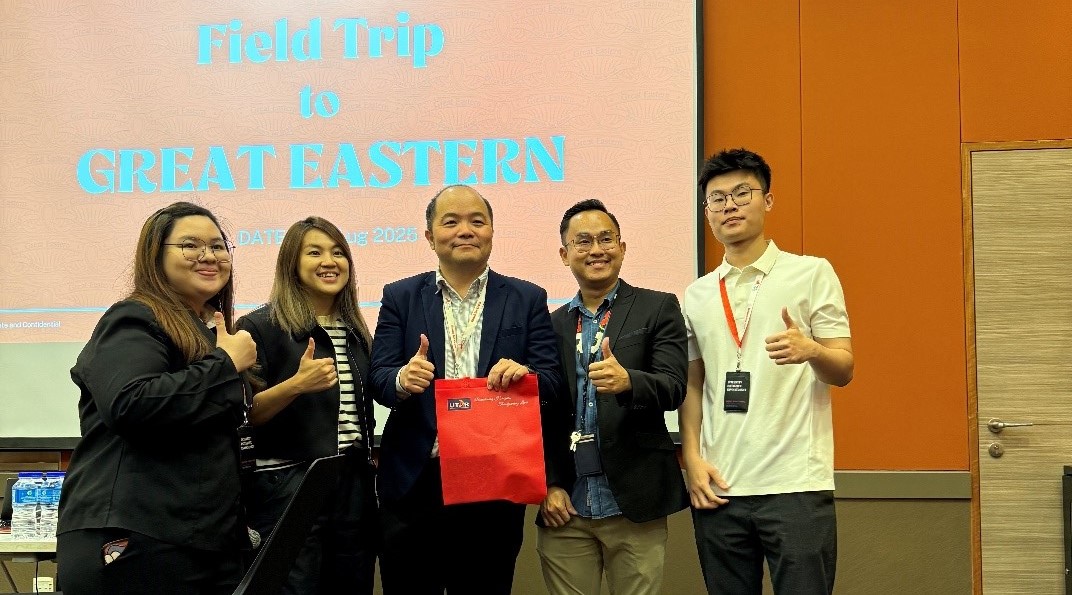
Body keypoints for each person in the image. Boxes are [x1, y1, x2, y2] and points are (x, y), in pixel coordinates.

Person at [369, 184, 565, 594]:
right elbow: (378, 377)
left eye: (478, 221)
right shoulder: (400, 296)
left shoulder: (526, 298)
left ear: (492, 231)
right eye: (451, 221)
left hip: (492, 483)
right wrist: (403, 380)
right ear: (429, 236)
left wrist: (524, 375)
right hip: (415, 482)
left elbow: (551, 382)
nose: (466, 230)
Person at [56, 202, 256, 595]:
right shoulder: (134, 318)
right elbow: (131, 404)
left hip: (200, 541)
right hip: (137, 537)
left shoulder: (208, 331)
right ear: (155, 254)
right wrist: (225, 365)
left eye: (218, 246)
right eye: (190, 245)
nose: (208, 256)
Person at [680, 148, 854, 595]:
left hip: (795, 484)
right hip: (719, 487)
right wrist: (692, 459)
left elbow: (844, 369)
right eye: (717, 199)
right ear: (707, 212)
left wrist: (811, 348)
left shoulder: (811, 273)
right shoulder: (697, 294)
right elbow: (693, 386)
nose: (730, 206)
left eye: (742, 193)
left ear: (768, 201)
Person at [537, 199, 689, 595]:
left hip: (634, 502)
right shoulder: (549, 325)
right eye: (583, 241)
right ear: (564, 253)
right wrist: (549, 485)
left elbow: (673, 387)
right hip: (565, 507)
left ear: (622, 247)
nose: (597, 250)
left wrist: (629, 382)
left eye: (607, 239)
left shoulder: (658, 307)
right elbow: (543, 416)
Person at [236, 217, 377, 594]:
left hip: (353, 483)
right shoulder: (259, 326)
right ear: (291, 264)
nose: (329, 261)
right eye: (314, 252)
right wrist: (295, 386)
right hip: (289, 484)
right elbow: (245, 418)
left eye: (338, 253)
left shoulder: (356, 330)